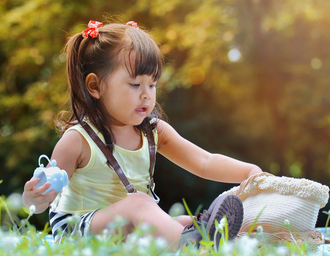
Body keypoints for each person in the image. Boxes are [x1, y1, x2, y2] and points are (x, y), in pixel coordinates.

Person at [22, 20, 262, 251]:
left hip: (126, 230)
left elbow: (204, 162)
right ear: (95, 87)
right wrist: (35, 197)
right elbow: (41, 202)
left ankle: (221, 241)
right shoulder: (78, 140)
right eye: (135, 85)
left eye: (153, 84)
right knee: (140, 203)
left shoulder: (154, 132)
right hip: (77, 233)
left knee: (184, 222)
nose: (147, 95)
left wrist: (250, 172)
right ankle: (193, 247)